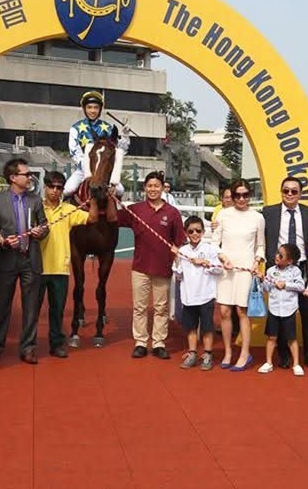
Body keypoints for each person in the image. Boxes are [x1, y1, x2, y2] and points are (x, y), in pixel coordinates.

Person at [0, 158, 48, 365]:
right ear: (13, 178)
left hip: (30, 260)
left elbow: (45, 225)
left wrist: (40, 231)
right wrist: (1, 239)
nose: (29, 177)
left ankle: (28, 348)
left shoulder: (35, 200)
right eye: (26, 174)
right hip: (6, 260)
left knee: (31, 307)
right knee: (2, 306)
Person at [119, 171, 185, 359]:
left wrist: (175, 248)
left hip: (162, 268)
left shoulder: (172, 213)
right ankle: (140, 342)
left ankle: (158, 342)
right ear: (144, 188)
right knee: (139, 307)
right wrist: (110, 195)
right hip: (140, 267)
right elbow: (113, 217)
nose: (153, 189)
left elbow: (179, 239)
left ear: (163, 188)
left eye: (156, 186)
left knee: (161, 307)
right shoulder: (135, 210)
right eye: (149, 186)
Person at [262, 176, 308, 368]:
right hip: (278, 270)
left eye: (294, 191)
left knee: (307, 313)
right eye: (286, 190)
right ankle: (284, 355)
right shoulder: (268, 212)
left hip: (303, 269)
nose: (289, 194)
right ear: (281, 192)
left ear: (300, 194)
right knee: (280, 314)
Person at [38, 171, 95, 359]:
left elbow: (91, 218)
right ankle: (29, 345)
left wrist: (96, 197)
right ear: (45, 187)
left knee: (57, 311)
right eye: (51, 186)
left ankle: (56, 344)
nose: (55, 190)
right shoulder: (36, 207)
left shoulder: (68, 210)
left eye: (59, 187)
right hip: (36, 268)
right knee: (32, 311)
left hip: (60, 269)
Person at [213, 179, 264, 371]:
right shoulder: (223, 215)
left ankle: (244, 353)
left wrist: (256, 262)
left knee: (242, 311)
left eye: (245, 195)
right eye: (237, 195)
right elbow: (214, 243)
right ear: (232, 196)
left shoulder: (257, 217)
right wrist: (223, 258)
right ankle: (227, 352)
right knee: (224, 311)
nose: (241, 199)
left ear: (250, 195)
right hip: (226, 269)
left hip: (245, 270)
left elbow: (261, 245)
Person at [173, 215, 222, 371]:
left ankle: (207, 353)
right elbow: (179, 275)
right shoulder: (183, 251)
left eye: (198, 231)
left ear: (203, 231)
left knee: (207, 327)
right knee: (191, 327)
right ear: (186, 233)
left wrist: (205, 263)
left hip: (206, 295)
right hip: (189, 297)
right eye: (191, 231)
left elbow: (219, 269)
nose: (195, 234)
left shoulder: (210, 249)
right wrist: (176, 260)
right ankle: (192, 353)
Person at [63, 91, 128, 198]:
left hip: (105, 171)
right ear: (84, 109)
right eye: (89, 107)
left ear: (100, 109)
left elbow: (120, 150)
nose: (92, 111)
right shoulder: (75, 128)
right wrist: (89, 169)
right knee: (67, 190)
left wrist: (125, 135)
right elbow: (74, 152)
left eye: (96, 107)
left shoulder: (108, 128)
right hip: (83, 171)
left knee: (120, 190)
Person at [258, 244, 305, 376]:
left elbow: (301, 286)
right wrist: (262, 281)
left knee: (291, 338)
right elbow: (266, 289)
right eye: (277, 253)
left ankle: (296, 364)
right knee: (272, 337)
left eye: (281, 255)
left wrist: (286, 284)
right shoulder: (271, 270)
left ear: (289, 261)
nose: (277, 256)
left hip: (289, 309)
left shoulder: (295, 271)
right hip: (273, 309)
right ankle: (268, 362)